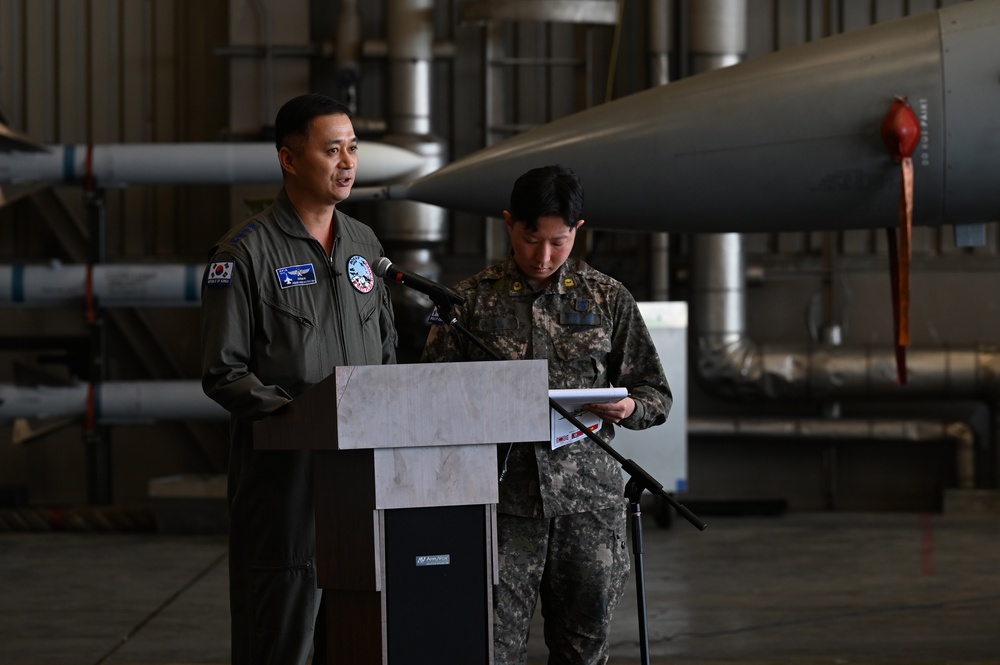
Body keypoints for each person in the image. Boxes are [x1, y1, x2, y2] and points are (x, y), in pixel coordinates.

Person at [420, 164, 671, 665]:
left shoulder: (607, 298)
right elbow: (429, 401)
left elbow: (655, 393)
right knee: (489, 647)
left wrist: (629, 407)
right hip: (498, 504)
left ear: (578, 231)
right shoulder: (468, 302)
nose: (544, 256)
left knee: (584, 648)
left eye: (559, 242)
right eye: (532, 239)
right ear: (509, 223)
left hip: (588, 508)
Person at [201, 93, 397, 665]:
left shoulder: (365, 247)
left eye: (353, 148)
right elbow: (223, 372)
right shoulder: (243, 254)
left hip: (363, 485)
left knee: (361, 640)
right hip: (286, 488)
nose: (347, 162)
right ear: (289, 159)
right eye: (332, 149)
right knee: (281, 642)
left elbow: (385, 352)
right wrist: (299, 417)